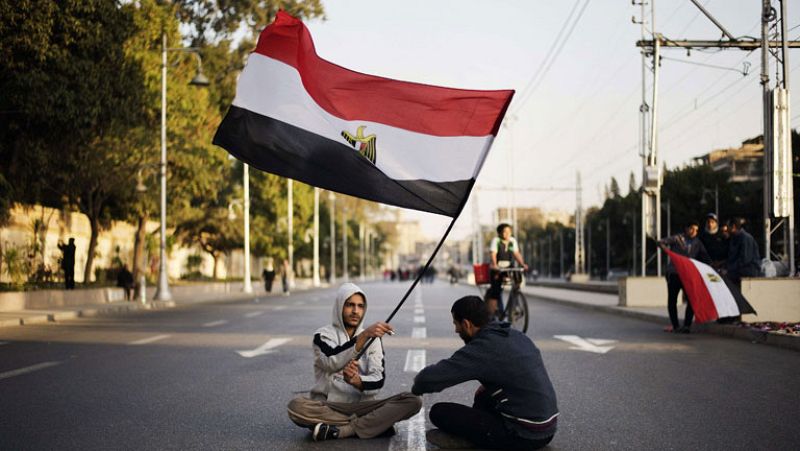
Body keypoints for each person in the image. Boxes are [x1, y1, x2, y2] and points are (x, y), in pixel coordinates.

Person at [412, 296, 558, 450]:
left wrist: (415, 389)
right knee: (483, 394)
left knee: (439, 412)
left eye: (456, 324)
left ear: (466, 324)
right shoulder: (512, 334)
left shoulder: (482, 347)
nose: (456, 330)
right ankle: (484, 432)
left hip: (524, 435)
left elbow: (427, 380)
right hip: (548, 429)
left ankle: (476, 440)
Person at [287, 283, 421, 441]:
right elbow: (330, 361)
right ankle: (372, 424)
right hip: (329, 407)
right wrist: (363, 337)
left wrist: (357, 381)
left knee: (412, 401)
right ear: (339, 306)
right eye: (350, 305)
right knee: (296, 406)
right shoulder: (323, 336)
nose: (355, 311)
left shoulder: (373, 339)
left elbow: (378, 379)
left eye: (360, 306)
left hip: (362, 407)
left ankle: (345, 430)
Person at [658, 221, 712, 334]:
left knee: (691, 299)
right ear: (687, 228)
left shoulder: (697, 242)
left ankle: (687, 325)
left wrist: (712, 266)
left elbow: (705, 256)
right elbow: (661, 242)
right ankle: (675, 325)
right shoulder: (678, 238)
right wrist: (668, 252)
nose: (694, 232)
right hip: (674, 273)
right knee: (672, 300)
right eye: (692, 229)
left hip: (688, 274)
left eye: (696, 230)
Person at [486, 223, 528, 318]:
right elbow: (493, 254)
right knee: (495, 292)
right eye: (505, 232)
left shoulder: (512, 241)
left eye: (509, 231)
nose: (507, 233)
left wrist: (522, 264)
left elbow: (516, 253)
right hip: (497, 267)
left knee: (517, 280)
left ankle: (515, 302)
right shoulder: (496, 241)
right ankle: (491, 317)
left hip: (509, 266)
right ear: (500, 233)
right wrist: (495, 265)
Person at [726, 217, 761, 289]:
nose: (727, 229)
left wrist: (729, 268)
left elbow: (745, 259)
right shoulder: (734, 238)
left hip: (749, 270)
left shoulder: (746, 238)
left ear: (733, 227)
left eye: (728, 227)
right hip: (739, 269)